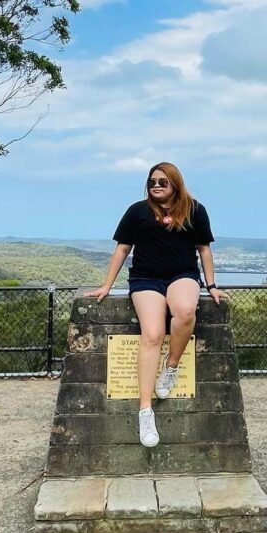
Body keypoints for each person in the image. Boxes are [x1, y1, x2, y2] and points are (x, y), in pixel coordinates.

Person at [83, 162, 231, 447]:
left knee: (186, 311)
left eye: (163, 181)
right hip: (145, 278)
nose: (157, 186)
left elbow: (204, 249)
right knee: (151, 334)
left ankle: (171, 366)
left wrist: (211, 285)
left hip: (182, 275)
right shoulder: (137, 211)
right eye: (152, 182)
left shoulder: (195, 210)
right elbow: (122, 249)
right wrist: (106, 285)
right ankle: (145, 410)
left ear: (175, 182)